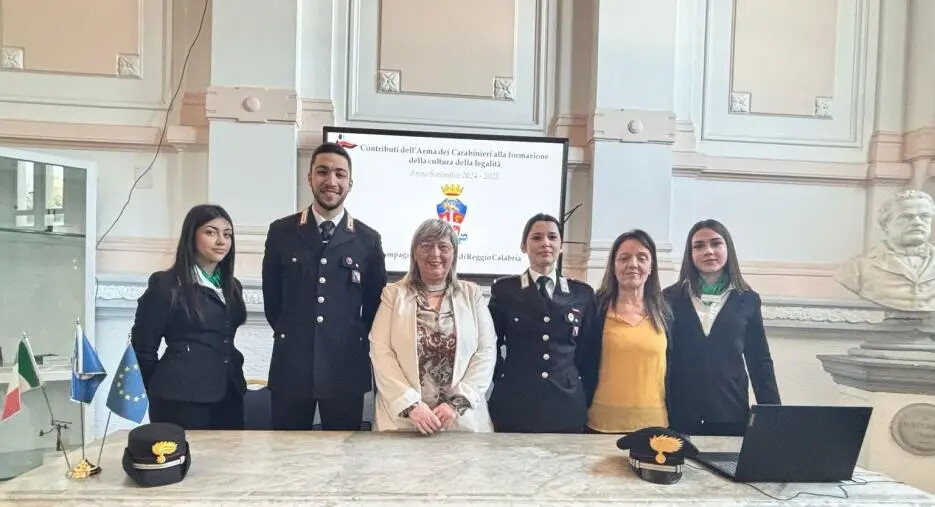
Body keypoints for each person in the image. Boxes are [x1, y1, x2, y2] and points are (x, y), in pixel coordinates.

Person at [262, 142, 387, 430]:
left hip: (345, 368)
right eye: (323, 172)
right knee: (287, 456)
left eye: (340, 174)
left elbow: (373, 309)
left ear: (350, 183)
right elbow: (273, 303)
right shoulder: (282, 232)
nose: (331, 181)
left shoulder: (368, 240)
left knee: (342, 461)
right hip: (291, 365)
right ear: (310, 178)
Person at [369, 219, 496, 434]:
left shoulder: (472, 294)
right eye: (426, 246)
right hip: (404, 423)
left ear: (453, 254)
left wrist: (457, 403)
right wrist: (411, 406)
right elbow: (381, 352)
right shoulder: (393, 294)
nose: (435, 254)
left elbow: (486, 352)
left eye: (443, 247)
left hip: (461, 423)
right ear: (414, 253)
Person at [131, 204, 247, 430]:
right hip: (180, 397)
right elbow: (143, 347)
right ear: (191, 235)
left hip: (228, 393)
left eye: (227, 234)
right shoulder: (166, 285)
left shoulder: (232, 286)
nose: (221, 241)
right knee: (186, 463)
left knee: (227, 461)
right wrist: (161, 384)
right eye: (210, 232)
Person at [664, 219, 780, 436]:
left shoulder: (747, 299)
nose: (708, 251)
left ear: (728, 248)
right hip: (679, 415)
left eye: (716, 244)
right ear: (690, 254)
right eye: (699, 246)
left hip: (730, 413)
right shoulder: (670, 297)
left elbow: (760, 361)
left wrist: (773, 417)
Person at [487, 213, 597, 433]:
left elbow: (589, 354)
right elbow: (492, 345)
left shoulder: (581, 293)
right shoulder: (505, 290)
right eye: (536, 238)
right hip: (515, 403)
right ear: (523, 246)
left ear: (561, 246)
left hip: (566, 406)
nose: (545, 243)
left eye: (552, 237)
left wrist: (579, 389)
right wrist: (504, 378)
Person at [582, 229, 671, 433]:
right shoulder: (594, 309)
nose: (633, 264)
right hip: (600, 424)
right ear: (613, 266)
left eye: (642, 258)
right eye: (624, 258)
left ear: (652, 266)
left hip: (655, 426)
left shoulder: (667, 312)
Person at [836, 189, 935, 312]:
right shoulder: (856, 268)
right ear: (885, 224)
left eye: (925, 216)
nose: (917, 222)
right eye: (907, 217)